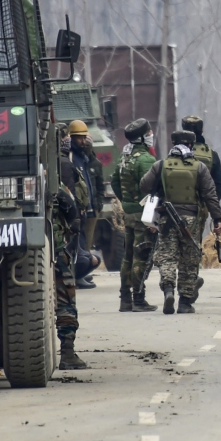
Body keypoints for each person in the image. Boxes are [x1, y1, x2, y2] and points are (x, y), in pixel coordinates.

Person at [138, 129, 221, 314]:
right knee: (189, 260)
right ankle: (185, 302)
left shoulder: (161, 165)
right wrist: (217, 219)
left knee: (167, 256)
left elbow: (144, 185)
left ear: (173, 144)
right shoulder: (199, 167)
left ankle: (168, 290)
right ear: (191, 145)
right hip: (191, 220)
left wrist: (160, 187)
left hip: (167, 218)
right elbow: (210, 195)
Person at [111, 118, 158, 312]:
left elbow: (115, 182)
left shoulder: (125, 157)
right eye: (149, 133)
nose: (151, 135)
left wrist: (127, 201)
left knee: (128, 257)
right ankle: (138, 299)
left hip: (129, 213)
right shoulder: (146, 159)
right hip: (143, 215)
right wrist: (153, 217)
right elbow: (152, 190)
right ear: (142, 137)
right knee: (141, 256)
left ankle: (125, 299)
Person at [52, 150, 89, 369]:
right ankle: (67, 352)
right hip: (56, 252)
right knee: (66, 300)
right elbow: (73, 216)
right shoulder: (56, 189)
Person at [67, 120, 105, 287]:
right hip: (77, 207)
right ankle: (77, 275)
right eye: (79, 138)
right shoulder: (71, 157)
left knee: (84, 241)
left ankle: (82, 272)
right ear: (72, 138)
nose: (83, 141)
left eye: (85, 138)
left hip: (86, 206)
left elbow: (93, 176)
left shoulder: (84, 157)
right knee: (78, 242)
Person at [181, 115, 221, 236]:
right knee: (194, 243)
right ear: (201, 131)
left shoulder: (176, 153)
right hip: (200, 209)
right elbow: (220, 186)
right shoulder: (211, 155)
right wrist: (207, 206)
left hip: (175, 209)